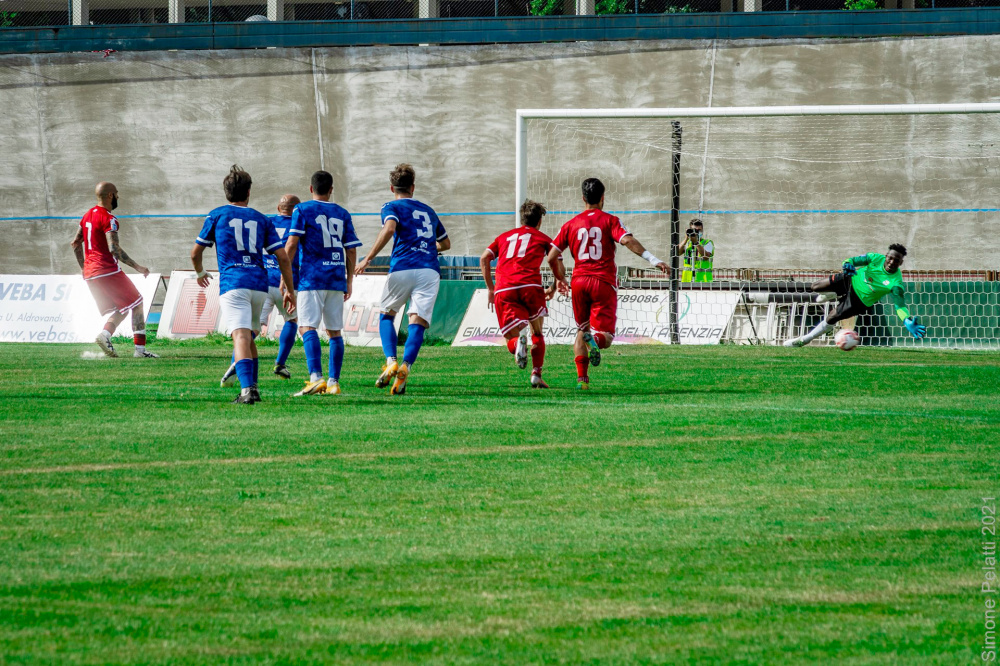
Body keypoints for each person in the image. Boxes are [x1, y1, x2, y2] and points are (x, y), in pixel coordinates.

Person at [546, 178, 668, 390]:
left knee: (580, 330)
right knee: (607, 338)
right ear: (603, 198)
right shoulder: (610, 220)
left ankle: (582, 380)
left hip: (579, 281)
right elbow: (628, 240)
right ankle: (595, 341)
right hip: (602, 281)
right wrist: (653, 259)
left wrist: (559, 279)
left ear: (583, 198)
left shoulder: (570, 224)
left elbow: (551, 256)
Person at [191, 165, 296, 404]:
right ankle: (253, 388)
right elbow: (282, 257)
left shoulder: (217, 214)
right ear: (248, 192)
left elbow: (195, 252)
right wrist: (289, 290)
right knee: (247, 337)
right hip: (259, 284)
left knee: (239, 336)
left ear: (226, 191)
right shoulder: (261, 218)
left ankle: (247, 390)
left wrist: (200, 273)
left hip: (234, 282)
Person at [355, 163, 450, 395]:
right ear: (413, 187)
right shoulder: (428, 210)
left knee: (387, 315)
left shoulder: (391, 206)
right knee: (417, 321)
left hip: (403, 266)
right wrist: (427, 247)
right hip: (429, 269)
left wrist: (368, 258)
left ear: (391, 188)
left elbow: (389, 229)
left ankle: (391, 362)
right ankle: (406, 367)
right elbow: (446, 244)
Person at [284, 171, 362, 397]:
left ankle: (315, 378)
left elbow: (291, 244)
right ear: (331, 190)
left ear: (310, 189)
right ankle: (334, 382)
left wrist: (284, 274)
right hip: (336, 277)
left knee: (307, 326)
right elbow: (351, 248)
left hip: (312, 278)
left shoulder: (302, 209)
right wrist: (349, 280)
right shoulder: (342, 212)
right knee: (334, 331)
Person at [220, 194, 302, 386]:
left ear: (278, 207)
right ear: (296, 209)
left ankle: (235, 364)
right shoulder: (299, 225)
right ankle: (280, 363)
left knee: (249, 330)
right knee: (291, 319)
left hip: (263, 281)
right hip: (286, 280)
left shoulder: (266, 221)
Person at [480, 200, 562, 389]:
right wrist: (554, 286)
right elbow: (555, 261)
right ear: (539, 221)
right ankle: (536, 374)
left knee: (511, 338)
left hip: (505, 287)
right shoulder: (544, 238)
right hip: (531, 286)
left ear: (521, 218)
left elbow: (484, 257)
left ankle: (518, 343)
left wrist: (491, 289)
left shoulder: (503, 237)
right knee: (538, 333)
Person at [71, 182, 158, 359]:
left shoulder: (87, 216)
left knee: (125, 306)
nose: (118, 197)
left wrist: (84, 267)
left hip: (91, 273)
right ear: (110, 195)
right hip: (107, 269)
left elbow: (75, 243)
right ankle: (140, 351)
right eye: (116, 194)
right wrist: (137, 266)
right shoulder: (109, 218)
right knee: (138, 302)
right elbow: (114, 248)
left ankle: (105, 335)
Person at [784, 243, 927, 347]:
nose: (892, 262)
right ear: (886, 256)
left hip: (859, 301)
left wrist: (906, 320)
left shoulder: (896, 283)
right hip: (850, 279)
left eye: (896, 261)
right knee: (815, 287)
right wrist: (847, 265)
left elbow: (900, 306)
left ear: (901, 263)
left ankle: (805, 340)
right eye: (890, 258)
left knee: (832, 317)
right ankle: (833, 294)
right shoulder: (874, 258)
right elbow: (851, 260)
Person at [678, 218, 714, 283]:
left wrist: (696, 243)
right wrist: (686, 238)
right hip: (687, 280)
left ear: (702, 230)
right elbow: (676, 253)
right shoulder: (687, 243)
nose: (697, 232)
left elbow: (706, 257)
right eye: (694, 230)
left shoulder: (707, 243)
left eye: (699, 230)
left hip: (703, 280)